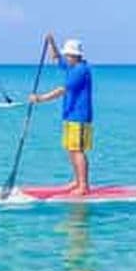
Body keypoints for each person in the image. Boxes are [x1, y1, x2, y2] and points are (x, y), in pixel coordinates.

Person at [30, 33, 93, 195]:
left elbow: (62, 90)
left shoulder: (80, 71)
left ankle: (84, 186)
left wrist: (40, 98)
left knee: (78, 150)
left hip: (79, 116)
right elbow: (56, 59)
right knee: (71, 149)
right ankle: (77, 181)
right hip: (70, 115)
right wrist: (52, 43)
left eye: (68, 55)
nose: (65, 57)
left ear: (75, 55)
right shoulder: (72, 66)